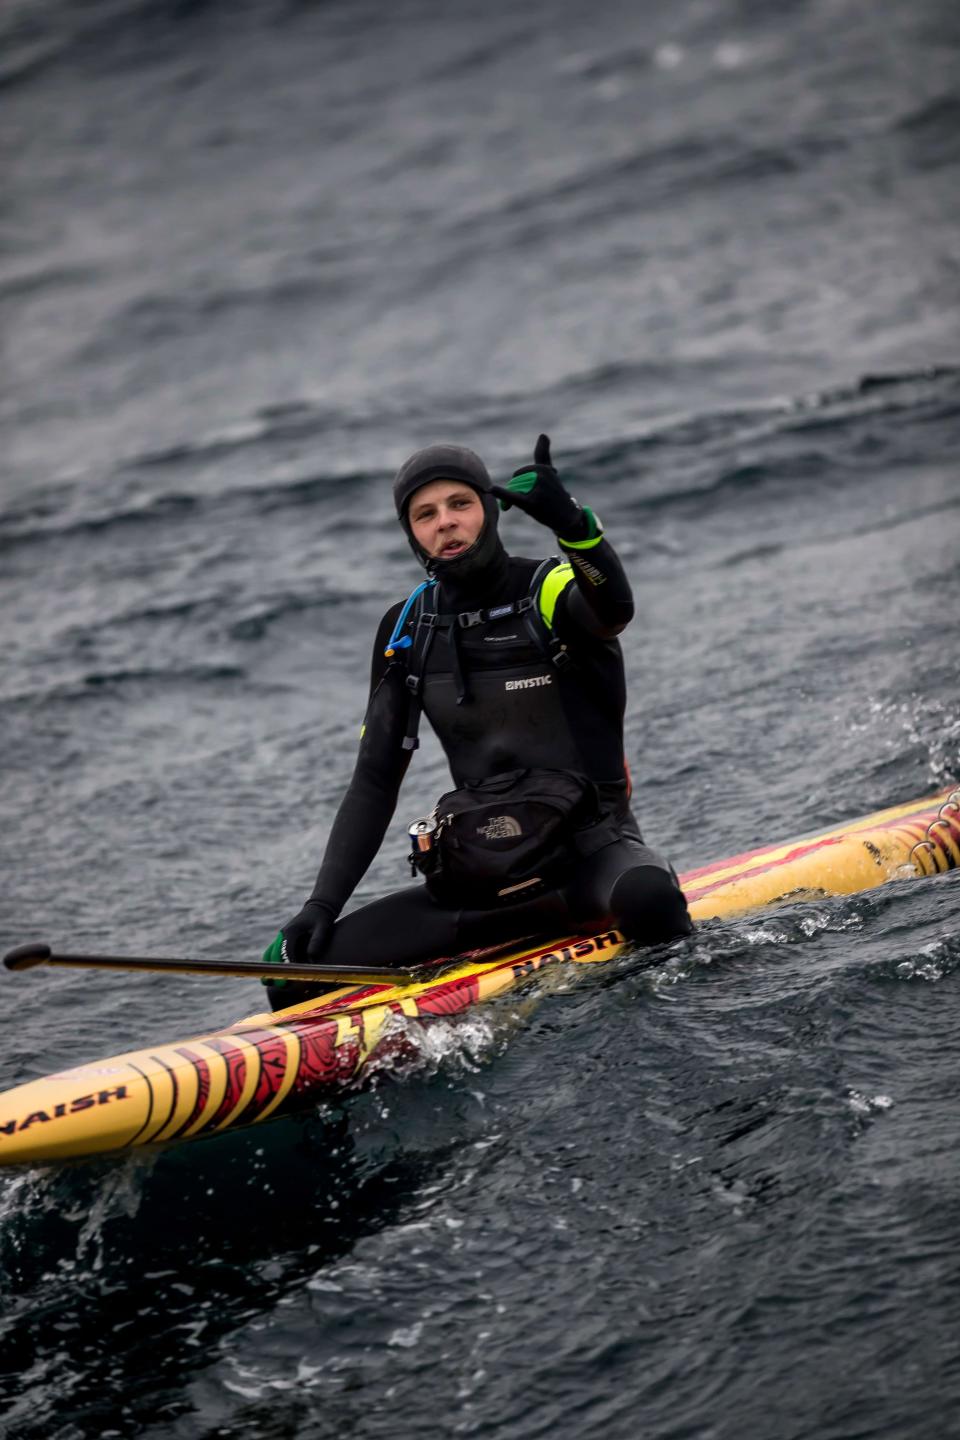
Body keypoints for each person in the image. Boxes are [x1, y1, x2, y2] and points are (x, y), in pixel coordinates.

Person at [262, 435, 691, 1005]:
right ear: (410, 532)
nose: (446, 523)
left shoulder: (550, 587)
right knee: (293, 973)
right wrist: (322, 905)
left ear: (488, 510)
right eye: (425, 514)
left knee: (647, 896)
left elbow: (613, 609)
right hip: (480, 885)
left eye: (459, 504)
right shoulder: (407, 628)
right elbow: (374, 779)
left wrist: (573, 526)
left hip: (588, 866)